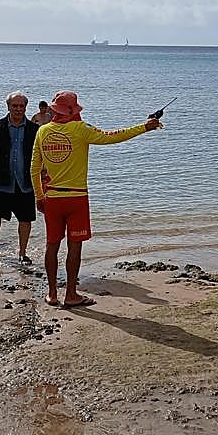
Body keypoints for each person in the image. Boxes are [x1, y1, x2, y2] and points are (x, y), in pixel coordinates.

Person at [31, 90, 161, 307]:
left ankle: (52, 293)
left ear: (55, 109)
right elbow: (112, 137)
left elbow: (34, 168)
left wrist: (39, 197)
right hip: (77, 198)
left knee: (51, 245)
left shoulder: (42, 131)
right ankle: (71, 294)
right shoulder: (81, 129)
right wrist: (144, 127)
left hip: (52, 197)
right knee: (75, 246)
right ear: (73, 110)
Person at [0, 91, 39, 263]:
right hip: (1, 182)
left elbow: (41, 157)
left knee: (26, 219)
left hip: (25, 184)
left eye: (21, 106)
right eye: (15, 106)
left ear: (26, 107)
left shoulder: (35, 130)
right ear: (8, 107)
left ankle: (22, 253)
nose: (18, 109)